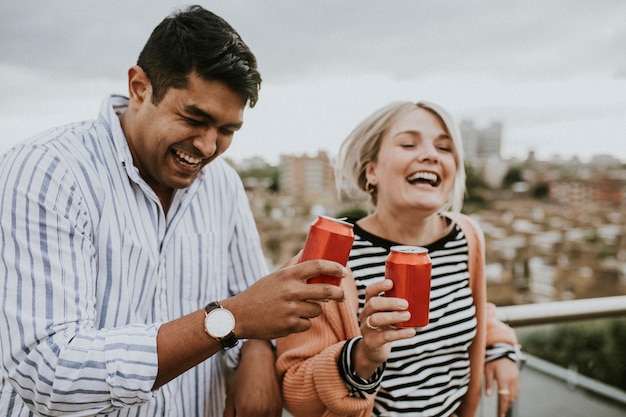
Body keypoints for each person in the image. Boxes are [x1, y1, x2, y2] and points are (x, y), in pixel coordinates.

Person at [0, 6, 347, 417]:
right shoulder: (48, 172)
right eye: (194, 118)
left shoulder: (223, 185)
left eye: (226, 130)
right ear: (139, 87)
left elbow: (257, 304)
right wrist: (230, 321)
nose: (207, 146)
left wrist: (256, 351)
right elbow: (51, 375)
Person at [276, 101, 521, 417]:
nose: (431, 154)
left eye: (444, 148)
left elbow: (471, 306)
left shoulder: (467, 235)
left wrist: (500, 347)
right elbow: (296, 392)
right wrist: (362, 356)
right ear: (372, 171)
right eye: (408, 143)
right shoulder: (332, 259)